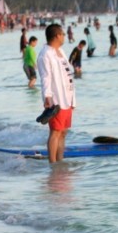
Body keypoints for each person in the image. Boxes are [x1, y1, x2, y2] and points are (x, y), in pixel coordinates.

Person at [36, 24, 76, 163]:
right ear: (57, 35)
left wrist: (73, 100)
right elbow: (45, 76)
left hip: (67, 98)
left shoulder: (61, 51)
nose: (64, 36)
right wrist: (47, 96)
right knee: (55, 131)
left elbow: (68, 74)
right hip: (56, 98)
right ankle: (52, 163)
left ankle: (60, 161)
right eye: (63, 34)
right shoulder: (45, 54)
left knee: (63, 132)